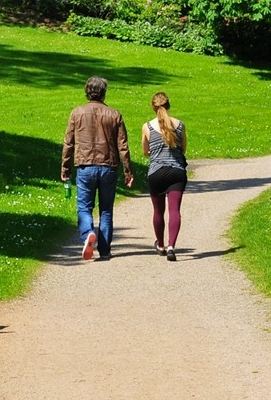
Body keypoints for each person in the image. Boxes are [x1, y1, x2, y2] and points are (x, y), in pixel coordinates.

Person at [61, 76, 135, 261]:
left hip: (85, 166)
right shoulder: (114, 115)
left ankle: (88, 233)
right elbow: (123, 146)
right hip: (108, 166)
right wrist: (128, 171)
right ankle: (105, 249)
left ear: (87, 92)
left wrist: (65, 167)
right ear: (103, 93)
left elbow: (68, 143)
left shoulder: (77, 113)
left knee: (84, 208)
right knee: (106, 210)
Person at [141, 91, 188, 262]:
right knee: (174, 210)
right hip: (176, 172)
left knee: (158, 211)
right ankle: (171, 246)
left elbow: (145, 151)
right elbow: (183, 149)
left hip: (156, 172)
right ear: (168, 105)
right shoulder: (180, 125)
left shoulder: (147, 126)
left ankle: (160, 245)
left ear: (153, 107)